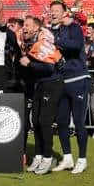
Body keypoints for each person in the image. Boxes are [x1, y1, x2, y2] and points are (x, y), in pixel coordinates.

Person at [49, 1, 90, 173]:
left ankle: (82, 159)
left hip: (78, 78)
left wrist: (56, 40)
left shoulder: (73, 27)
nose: (53, 13)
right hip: (61, 80)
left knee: (79, 121)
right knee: (62, 121)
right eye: (51, 11)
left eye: (57, 10)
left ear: (65, 12)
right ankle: (67, 158)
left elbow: (76, 45)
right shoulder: (53, 30)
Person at [20, 16, 64, 175]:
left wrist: (29, 63)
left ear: (36, 28)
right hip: (40, 85)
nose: (23, 28)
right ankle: (38, 156)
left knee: (45, 121)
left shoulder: (42, 42)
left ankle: (48, 157)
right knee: (36, 121)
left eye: (27, 25)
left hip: (52, 84)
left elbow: (49, 67)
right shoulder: (30, 41)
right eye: (23, 25)